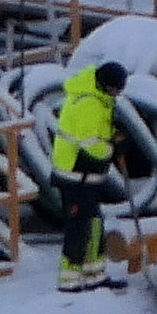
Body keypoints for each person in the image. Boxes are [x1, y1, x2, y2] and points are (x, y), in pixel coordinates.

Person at [42, 56, 126, 289]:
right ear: (103, 84)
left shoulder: (101, 101)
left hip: (87, 176)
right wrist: (112, 148)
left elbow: (99, 132)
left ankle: (94, 275)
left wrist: (113, 135)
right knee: (79, 226)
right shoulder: (89, 102)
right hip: (75, 176)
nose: (115, 95)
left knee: (94, 224)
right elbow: (90, 143)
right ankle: (69, 279)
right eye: (113, 90)